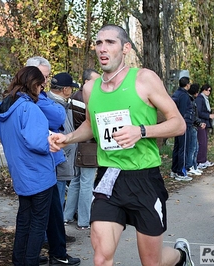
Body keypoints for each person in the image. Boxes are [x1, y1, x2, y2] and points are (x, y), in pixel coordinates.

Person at [48, 24, 194, 266]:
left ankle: (180, 256)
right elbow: (90, 125)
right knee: (101, 258)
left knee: (152, 262)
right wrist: (68, 138)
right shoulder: (90, 88)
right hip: (109, 177)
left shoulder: (144, 79)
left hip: (144, 178)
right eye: (98, 43)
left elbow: (178, 124)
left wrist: (142, 131)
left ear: (125, 48)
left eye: (110, 42)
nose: (102, 49)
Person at [0, 66, 56, 266]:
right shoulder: (30, 108)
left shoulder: (4, 107)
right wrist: (52, 140)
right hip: (39, 174)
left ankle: (19, 260)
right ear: (35, 85)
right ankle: (30, 262)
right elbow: (38, 142)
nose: (41, 89)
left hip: (20, 173)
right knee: (38, 223)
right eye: (40, 85)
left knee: (24, 221)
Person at [26, 57, 80, 266]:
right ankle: (45, 252)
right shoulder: (29, 102)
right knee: (42, 212)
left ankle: (49, 252)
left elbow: (57, 117)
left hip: (49, 161)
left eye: (46, 78)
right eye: (42, 78)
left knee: (49, 210)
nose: (45, 84)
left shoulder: (41, 98)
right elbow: (57, 119)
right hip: (41, 163)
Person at [64, 69, 100, 230]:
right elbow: (93, 124)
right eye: (95, 81)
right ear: (86, 82)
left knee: (76, 181)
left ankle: (67, 216)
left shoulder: (72, 98)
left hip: (76, 145)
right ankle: (84, 221)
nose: (99, 84)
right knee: (86, 182)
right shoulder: (88, 99)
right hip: (88, 146)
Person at [46, 72, 80, 209]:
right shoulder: (56, 107)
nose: (71, 91)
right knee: (57, 200)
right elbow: (63, 134)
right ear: (65, 89)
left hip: (58, 160)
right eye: (71, 88)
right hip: (59, 160)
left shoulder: (47, 103)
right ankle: (56, 229)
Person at [170, 76, 193, 181]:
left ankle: (174, 170)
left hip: (176, 124)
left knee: (177, 147)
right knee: (182, 148)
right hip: (183, 124)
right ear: (187, 85)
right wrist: (183, 123)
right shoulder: (183, 96)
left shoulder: (176, 94)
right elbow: (182, 111)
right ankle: (181, 172)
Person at [186, 83, 205, 176]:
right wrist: (199, 123)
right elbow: (192, 115)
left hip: (194, 125)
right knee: (192, 147)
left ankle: (194, 166)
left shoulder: (192, 100)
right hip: (191, 126)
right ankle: (189, 166)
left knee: (196, 147)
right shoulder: (190, 101)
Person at [195, 84, 214, 169]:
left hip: (205, 122)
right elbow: (198, 112)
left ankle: (204, 159)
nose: (209, 92)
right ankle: (200, 161)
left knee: (205, 141)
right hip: (201, 122)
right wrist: (208, 116)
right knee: (202, 142)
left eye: (210, 91)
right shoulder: (200, 98)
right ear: (203, 90)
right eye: (207, 90)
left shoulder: (205, 99)